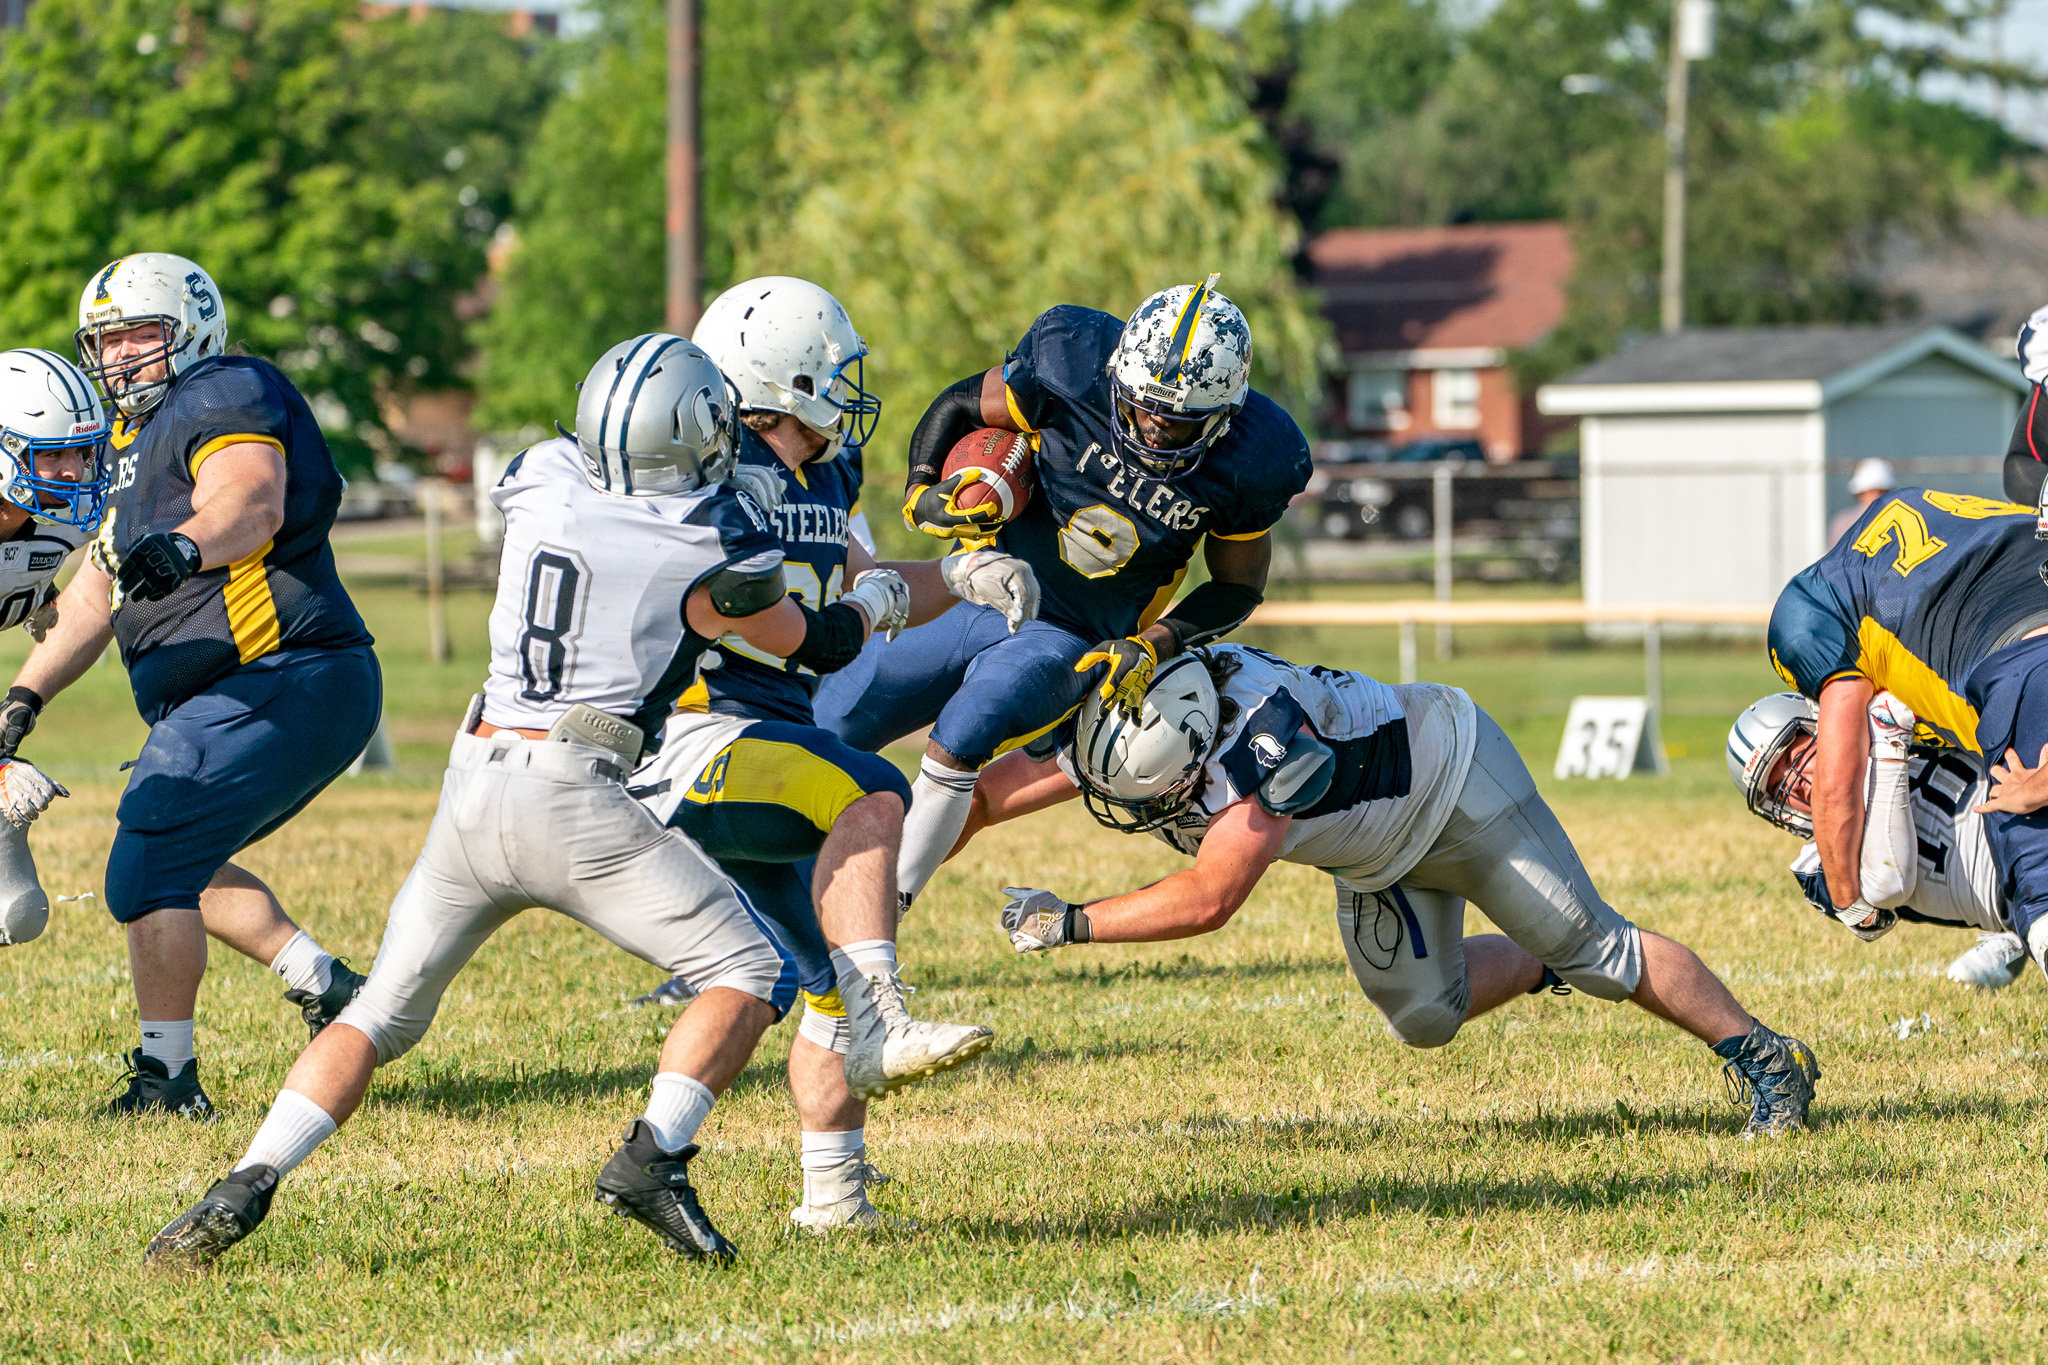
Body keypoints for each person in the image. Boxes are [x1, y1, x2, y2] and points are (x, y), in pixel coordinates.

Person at [145, 335, 991, 1270]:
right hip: (577, 791)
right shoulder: (708, 531)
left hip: (473, 781)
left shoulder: (539, 475)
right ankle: (653, 1159)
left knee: (376, 1016)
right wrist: (872, 599)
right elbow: (814, 640)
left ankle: (246, 1181)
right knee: (749, 971)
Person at [964, 644, 1823, 1136]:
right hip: (1378, 857)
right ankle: (1535, 959)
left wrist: (1071, 922)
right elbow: (997, 789)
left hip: (1457, 791)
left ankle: (1766, 1059)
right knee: (1425, 1017)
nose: (1120, 806)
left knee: (1598, 948)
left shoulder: (1266, 745)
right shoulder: (1150, 710)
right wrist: (907, 860)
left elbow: (1209, 898)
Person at [628, 277, 1019, 1229]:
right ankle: (885, 1020)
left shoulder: (824, 476)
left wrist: (960, 576)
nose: (845, 393)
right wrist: (848, 615)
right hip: (693, 735)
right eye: (830, 375)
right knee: (876, 791)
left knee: (809, 979)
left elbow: (861, 583)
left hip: (771, 741)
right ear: (780, 379)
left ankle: (805, 1192)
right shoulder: (702, 473)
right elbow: (754, 620)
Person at [5, 255, 380, 1118]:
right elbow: (96, 590)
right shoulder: (129, 445)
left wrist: (185, 544)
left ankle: (167, 1080)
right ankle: (331, 986)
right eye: (105, 340)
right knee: (173, 854)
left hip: (285, 671)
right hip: (227, 694)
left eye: (141, 332)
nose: (121, 356)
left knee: (148, 852)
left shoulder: (222, 389)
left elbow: (250, 499)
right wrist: (22, 701)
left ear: (193, 327)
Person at [812, 277, 1312, 910]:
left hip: (1073, 635)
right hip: (980, 586)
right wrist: (922, 487)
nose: (1155, 428)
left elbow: (1239, 584)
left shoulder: (1251, 458)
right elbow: (966, 405)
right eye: (1141, 406)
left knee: (963, 734)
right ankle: (767, 906)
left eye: (1178, 419)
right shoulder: (1071, 363)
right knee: (830, 724)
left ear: (1224, 414)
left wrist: (1156, 642)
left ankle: (875, 918)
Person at [1764, 485, 2048, 978]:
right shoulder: (1902, 508)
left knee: (2037, 888)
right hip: (2028, 591)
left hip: (2018, 657)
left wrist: (1848, 898)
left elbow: (1837, 782)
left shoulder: (1810, 612)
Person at [1729, 691, 2026, 989]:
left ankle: (2014, 941)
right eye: (1777, 786)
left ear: (1821, 723)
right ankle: (2018, 936)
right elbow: (1887, 887)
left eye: (1793, 757)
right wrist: (1888, 740)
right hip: (2017, 894)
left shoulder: (1878, 713)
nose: (1797, 785)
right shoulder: (1816, 866)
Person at [0, 348, 118, 945]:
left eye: (81, 450)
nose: (74, 471)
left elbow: (98, 587)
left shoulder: (59, 521)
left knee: (12, 911)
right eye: (53, 454)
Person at [1825, 458, 1896, 549]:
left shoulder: (1901, 523)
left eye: (1881, 491)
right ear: (1860, 493)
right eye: (1870, 491)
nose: (1875, 496)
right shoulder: (1843, 523)